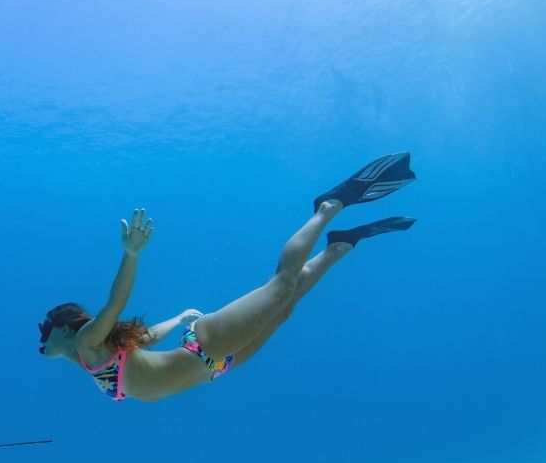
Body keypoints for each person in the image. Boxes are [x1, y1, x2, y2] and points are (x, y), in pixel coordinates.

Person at [38, 153, 418, 402]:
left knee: (281, 286)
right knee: (284, 308)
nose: (42, 342)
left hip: (206, 350)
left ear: (64, 329)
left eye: (45, 333)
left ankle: (327, 208)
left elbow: (115, 304)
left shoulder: (88, 342)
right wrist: (180, 317)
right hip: (216, 367)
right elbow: (145, 338)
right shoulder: (93, 359)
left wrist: (131, 255)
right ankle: (337, 248)